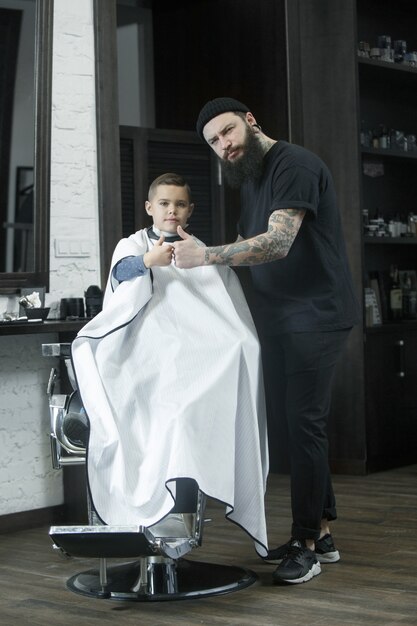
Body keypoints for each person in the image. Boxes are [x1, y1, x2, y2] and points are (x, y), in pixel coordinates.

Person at [172, 98, 360, 585]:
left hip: (316, 314)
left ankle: (306, 544)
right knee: (294, 425)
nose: (224, 145)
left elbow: (277, 242)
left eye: (228, 132)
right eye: (214, 142)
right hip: (280, 318)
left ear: (251, 120)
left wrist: (207, 254)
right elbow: (248, 247)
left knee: (304, 425)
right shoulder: (251, 174)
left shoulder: (293, 164)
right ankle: (323, 530)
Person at [71, 172, 269, 557]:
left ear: (190, 210)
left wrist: (240, 346)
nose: (172, 211)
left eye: (179, 204)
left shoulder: (200, 251)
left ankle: (178, 514)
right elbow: (118, 274)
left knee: (229, 363)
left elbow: (227, 314)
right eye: (164, 204)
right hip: (145, 352)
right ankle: (156, 515)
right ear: (150, 208)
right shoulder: (133, 245)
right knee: (166, 415)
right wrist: (148, 260)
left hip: (199, 360)